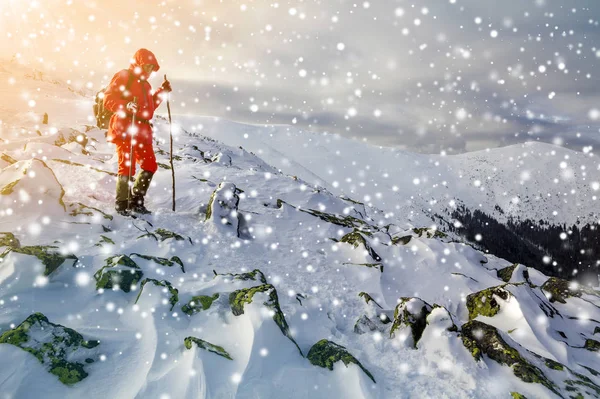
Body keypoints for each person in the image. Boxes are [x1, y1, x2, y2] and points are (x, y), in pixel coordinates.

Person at [103, 48, 172, 215]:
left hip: (142, 130)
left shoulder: (146, 85)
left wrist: (161, 92)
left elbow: (149, 108)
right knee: (127, 166)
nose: (148, 70)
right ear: (138, 63)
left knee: (150, 165)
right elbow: (108, 99)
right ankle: (122, 204)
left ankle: (136, 201)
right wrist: (125, 105)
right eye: (146, 66)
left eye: (151, 67)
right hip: (125, 128)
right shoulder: (124, 76)